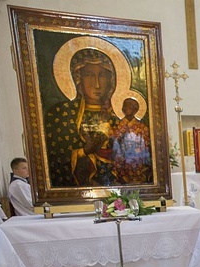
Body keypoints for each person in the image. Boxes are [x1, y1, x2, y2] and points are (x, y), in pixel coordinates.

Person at [45, 48, 119, 187]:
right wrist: (83, 152)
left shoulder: (118, 117)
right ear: (78, 78)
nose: (96, 84)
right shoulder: (62, 114)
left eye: (102, 76)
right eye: (89, 75)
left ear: (111, 80)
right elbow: (55, 159)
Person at [112, 97, 152, 184]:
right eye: (125, 107)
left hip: (137, 156)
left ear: (135, 110)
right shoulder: (119, 125)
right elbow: (114, 139)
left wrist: (137, 148)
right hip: (122, 155)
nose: (127, 109)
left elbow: (146, 142)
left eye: (130, 107)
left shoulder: (142, 126)